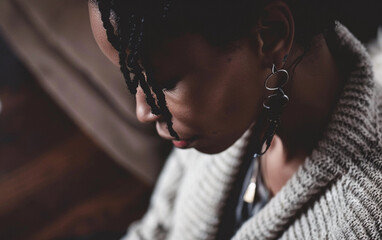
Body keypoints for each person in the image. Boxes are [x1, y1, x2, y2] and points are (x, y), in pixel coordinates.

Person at [88, 0, 382, 239]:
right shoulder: (226, 115)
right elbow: (157, 228)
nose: (143, 111)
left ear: (271, 35)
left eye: (162, 82)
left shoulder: (363, 218)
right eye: (134, 80)